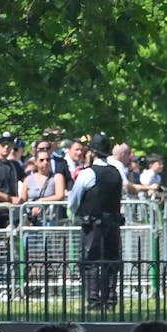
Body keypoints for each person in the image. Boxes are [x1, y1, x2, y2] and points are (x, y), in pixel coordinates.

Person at [67, 133, 126, 310]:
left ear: (92, 152)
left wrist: (77, 213)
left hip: (93, 224)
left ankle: (93, 301)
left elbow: (74, 200)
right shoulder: (117, 173)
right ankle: (110, 300)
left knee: (90, 261)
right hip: (113, 223)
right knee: (111, 261)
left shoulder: (88, 174)